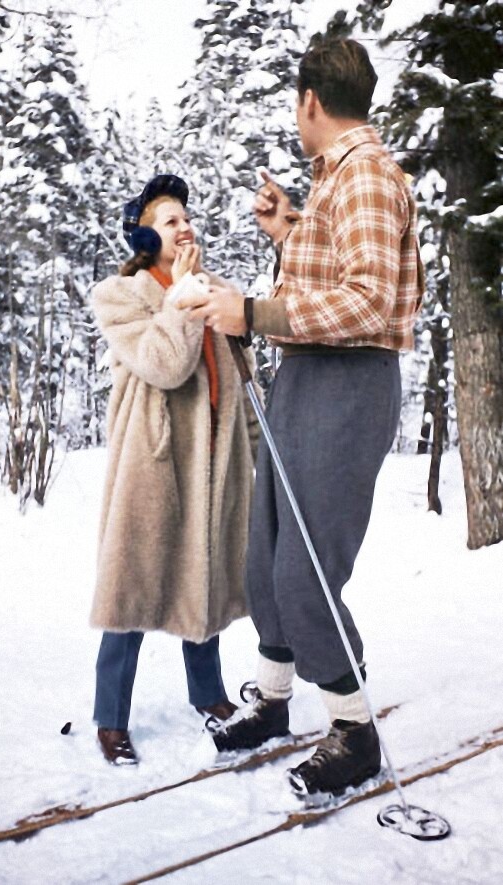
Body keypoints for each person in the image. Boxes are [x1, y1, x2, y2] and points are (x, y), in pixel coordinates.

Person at [178, 39, 424, 799]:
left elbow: (369, 301)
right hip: (308, 377)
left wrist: (252, 312)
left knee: (305, 569)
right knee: (267, 557)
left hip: (347, 384)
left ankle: (354, 731)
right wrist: (289, 232)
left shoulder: (367, 176)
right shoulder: (336, 180)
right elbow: (336, 276)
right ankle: (276, 701)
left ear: (310, 100)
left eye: (295, 103)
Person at [90, 174, 259, 764]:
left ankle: (208, 694)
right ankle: (110, 717)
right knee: (132, 584)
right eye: (170, 221)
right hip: (153, 463)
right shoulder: (121, 295)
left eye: (187, 218)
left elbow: (242, 382)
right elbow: (165, 364)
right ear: (144, 236)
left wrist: (256, 455)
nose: (185, 227)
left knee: (204, 576)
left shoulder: (218, 293)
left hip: (214, 460)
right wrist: (183, 296)